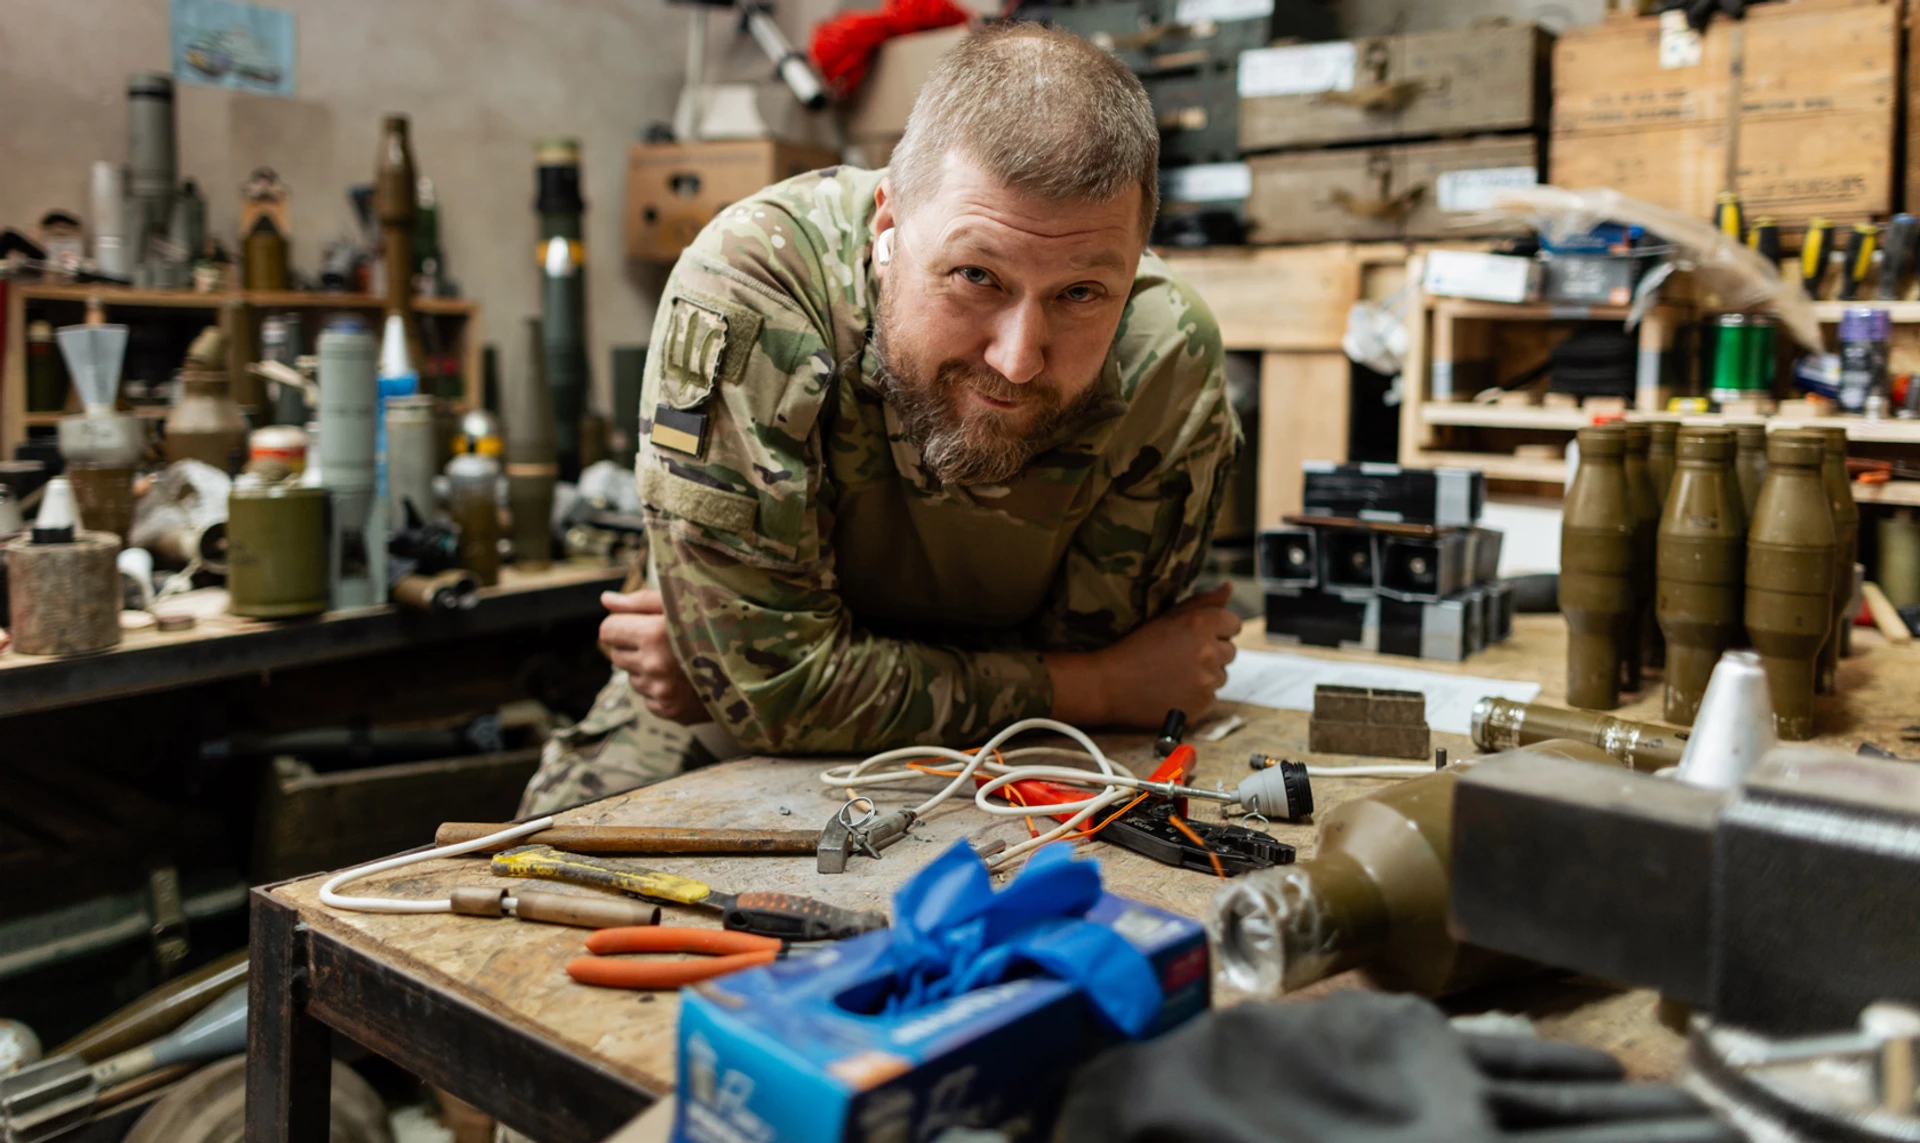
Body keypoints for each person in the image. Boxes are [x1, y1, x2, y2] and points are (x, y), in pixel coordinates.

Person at [520, 22, 1242, 816]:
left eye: (1079, 294)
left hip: (1020, 754)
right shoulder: (758, 287)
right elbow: (773, 692)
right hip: (702, 729)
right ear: (886, 223)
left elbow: (774, 671)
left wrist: (766, 666)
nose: (1018, 357)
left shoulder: (1162, 354)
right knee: (521, 881)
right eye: (976, 276)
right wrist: (1102, 687)